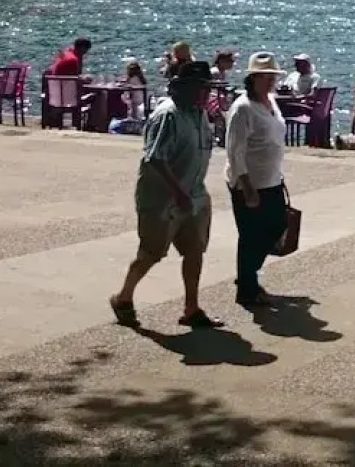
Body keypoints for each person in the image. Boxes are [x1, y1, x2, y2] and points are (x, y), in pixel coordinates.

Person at [108, 60, 221, 329]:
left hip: (194, 194)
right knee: (151, 252)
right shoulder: (167, 115)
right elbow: (155, 159)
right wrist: (177, 191)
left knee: (195, 250)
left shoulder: (200, 114)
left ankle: (191, 308)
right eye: (200, 88)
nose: (206, 93)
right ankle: (123, 297)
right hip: (162, 199)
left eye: (208, 88)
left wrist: (191, 193)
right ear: (184, 88)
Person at [224, 52, 289, 307]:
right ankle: (247, 288)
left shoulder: (271, 101)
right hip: (249, 182)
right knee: (251, 235)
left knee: (276, 226)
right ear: (253, 78)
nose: (271, 81)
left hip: (272, 179)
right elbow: (234, 150)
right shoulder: (242, 108)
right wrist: (247, 186)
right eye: (266, 77)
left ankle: (247, 277)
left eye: (273, 76)